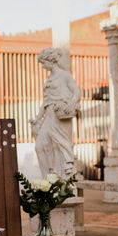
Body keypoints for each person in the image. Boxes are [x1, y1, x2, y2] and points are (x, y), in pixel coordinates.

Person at [31, 47, 81, 179]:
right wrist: (37, 119)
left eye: (43, 63)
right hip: (49, 116)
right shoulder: (48, 80)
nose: (42, 66)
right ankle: (48, 179)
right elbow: (45, 103)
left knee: (61, 147)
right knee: (40, 146)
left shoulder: (64, 75)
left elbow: (76, 92)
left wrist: (69, 103)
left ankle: (63, 179)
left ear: (51, 60)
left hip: (61, 115)